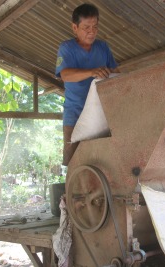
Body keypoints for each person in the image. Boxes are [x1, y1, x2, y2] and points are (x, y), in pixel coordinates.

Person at [55, 3, 119, 166]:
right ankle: (71, 190)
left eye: (95, 27)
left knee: (102, 157)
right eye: (86, 27)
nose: (92, 32)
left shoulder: (103, 47)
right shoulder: (67, 48)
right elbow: (65, 75)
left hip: (101, 111)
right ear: (75, 27)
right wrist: (92, 72)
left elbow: (115, 72)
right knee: (72, 157)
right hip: (75, 111)